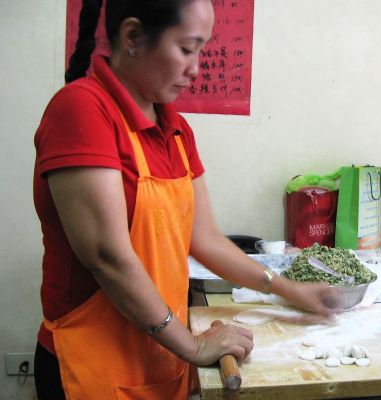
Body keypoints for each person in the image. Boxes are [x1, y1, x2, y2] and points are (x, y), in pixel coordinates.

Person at [32, 0, 341, 398]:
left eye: (202, 50)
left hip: (160, 361)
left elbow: (206, 239)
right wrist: (192, 345)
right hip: (92, 368)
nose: (195, 68)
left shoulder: (175, 130)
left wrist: (289, 289)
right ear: (132, 36)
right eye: (187, 48)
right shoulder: (82, 109)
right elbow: (106, 256)